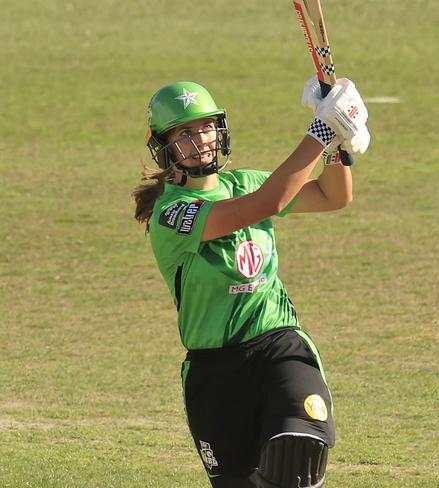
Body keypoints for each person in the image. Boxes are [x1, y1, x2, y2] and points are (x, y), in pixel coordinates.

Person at [132, 78, 369, 488]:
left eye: (206, 126)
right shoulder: (171, 213)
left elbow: (332, 197)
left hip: (279, 345)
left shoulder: (243, 181)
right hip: (215, 371)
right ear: (165, 147)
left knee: (298, 448)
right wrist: (322, 130)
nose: (201, 139)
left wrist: (339, 150)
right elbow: (267, 204)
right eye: (186, 133)